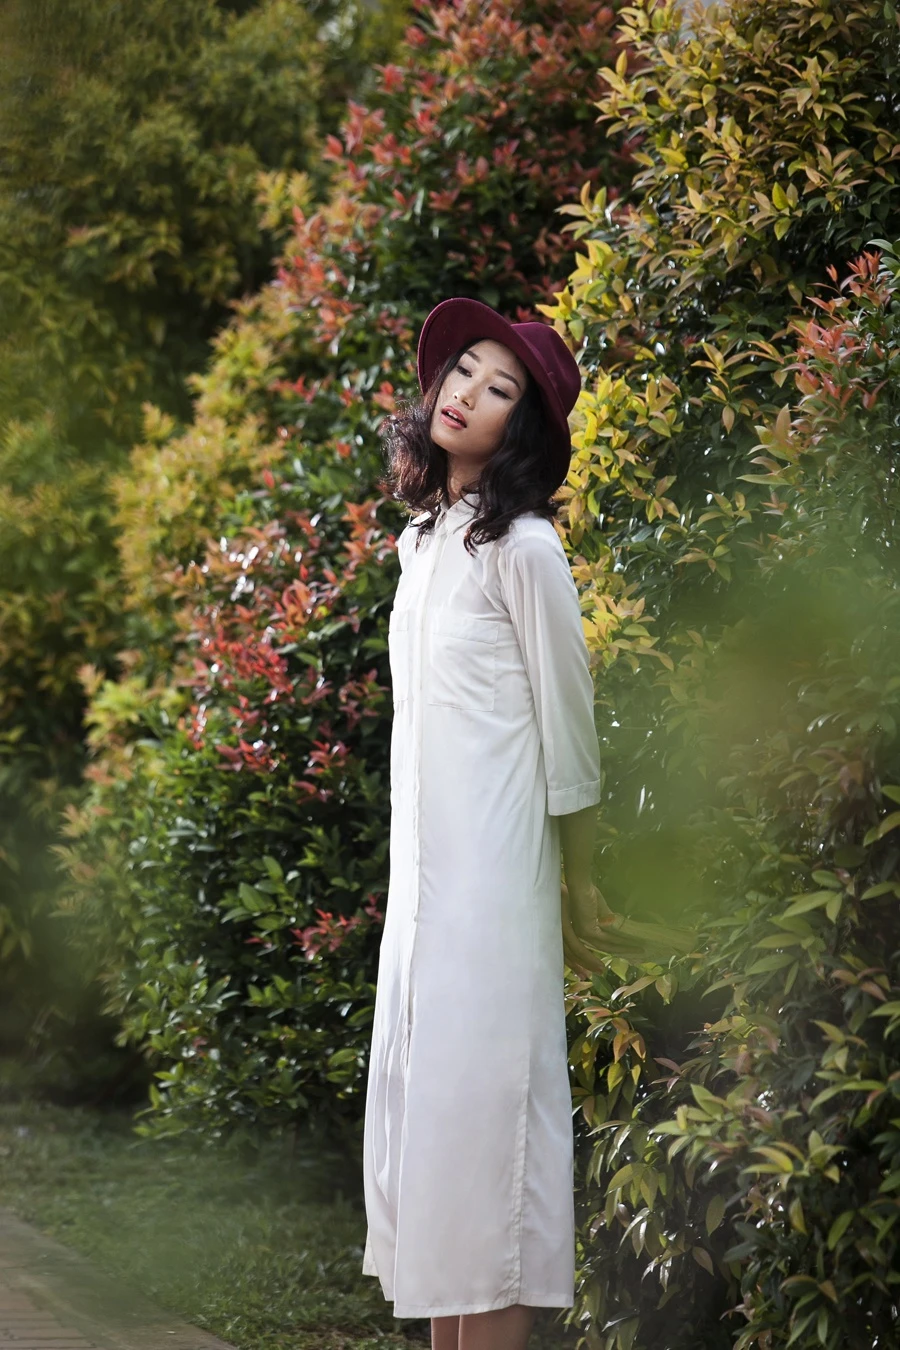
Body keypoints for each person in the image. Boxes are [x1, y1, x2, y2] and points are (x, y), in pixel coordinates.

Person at [361, 297, 630, 1350]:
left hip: (496, 896)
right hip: (423, 900)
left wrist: (580, 880)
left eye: (499, 387)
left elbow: (571, 733)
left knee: (494, 1156)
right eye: (462, 371)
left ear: (522, 427)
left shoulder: (527, 550)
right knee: (437, 1156)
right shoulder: (422, 541)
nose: (467, 393)